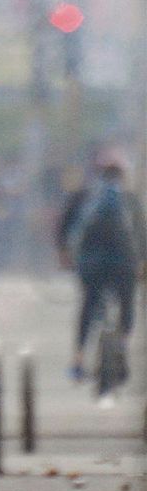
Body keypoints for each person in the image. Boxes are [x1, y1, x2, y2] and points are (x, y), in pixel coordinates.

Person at [56, 151, 146, 386]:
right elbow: (142, 235)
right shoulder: (130, 200)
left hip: (91, 263)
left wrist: (65, 257)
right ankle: (122, 350)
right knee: (127, 305)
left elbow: (64, 230)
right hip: (124, 264)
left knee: (89, 305)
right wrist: (142, 264)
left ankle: (78, 361)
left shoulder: (84, 197)